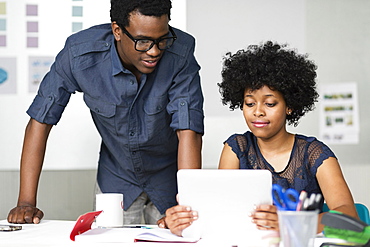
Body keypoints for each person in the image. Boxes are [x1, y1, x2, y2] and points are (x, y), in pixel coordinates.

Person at [7, 0, 204, 225]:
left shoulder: (181, 53)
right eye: (142, 41)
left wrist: (185, 208)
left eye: (162, 40)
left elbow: (188, 129)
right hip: (116, 180)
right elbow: (40, 121)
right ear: (117, 31)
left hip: (171, 178)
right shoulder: (79, 55)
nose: (154, 51)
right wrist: (26, 202)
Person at [160, 41, 357, 236]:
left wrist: (289, 223)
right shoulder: (237, 148)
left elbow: (349, 217)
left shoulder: (315, 154)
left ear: (290, 106)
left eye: (270, 103)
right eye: (250, 103)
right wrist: (178, 222)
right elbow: (221, 213)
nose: (258, 112)